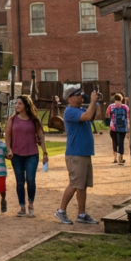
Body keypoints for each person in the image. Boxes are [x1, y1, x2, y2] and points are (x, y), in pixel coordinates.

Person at [55, 87, 100, 225]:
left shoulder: (80, 110)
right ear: (70, 98)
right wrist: (92, 101)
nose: (81, 97)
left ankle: (81, 214)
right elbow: (87, 116)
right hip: (75, 153)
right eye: (78, 95)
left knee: (82, 185)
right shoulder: (70, 111)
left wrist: (96, 102)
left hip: (83, 153)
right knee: (75, 183)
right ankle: (61, 211)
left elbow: (93, 115)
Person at [4, 95, 49, 218]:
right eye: (16, 103)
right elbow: (7, 135)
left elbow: (41, 136)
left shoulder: (34, 120)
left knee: (30, 179)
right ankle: (22, 206)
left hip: (32, 154)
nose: (17, 106)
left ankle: (31, 203)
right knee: (20, 182)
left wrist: (44, 152)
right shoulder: (12, 119)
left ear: (26, 105)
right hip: (16, 155)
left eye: (19, 103)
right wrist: (9, 149)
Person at [107, 94, 129, 165]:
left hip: (113, 126)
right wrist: (128, 126)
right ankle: (121, 157)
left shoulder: (111, 106)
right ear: (121, 99)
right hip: (123, 127)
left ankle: (115, 158)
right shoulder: (125, 107)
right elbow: (128, 117)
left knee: (114, 142)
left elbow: (108, 115)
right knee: (121, 142)